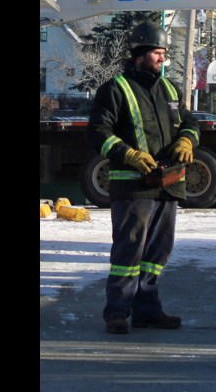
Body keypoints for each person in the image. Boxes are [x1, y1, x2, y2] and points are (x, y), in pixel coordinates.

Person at [87, 22, 200, 335]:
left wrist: (187, 139)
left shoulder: (170, 89)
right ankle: (117, 313)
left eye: (164, 53)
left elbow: (189, 122)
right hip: (133, 187)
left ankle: (148, 311)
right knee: (129, 251)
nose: (162, 59)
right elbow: (98, 133)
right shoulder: (115, 89)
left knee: (157, 253)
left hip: (167, 185)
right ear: (139, 54)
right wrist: (130, 155)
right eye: (157, 53)